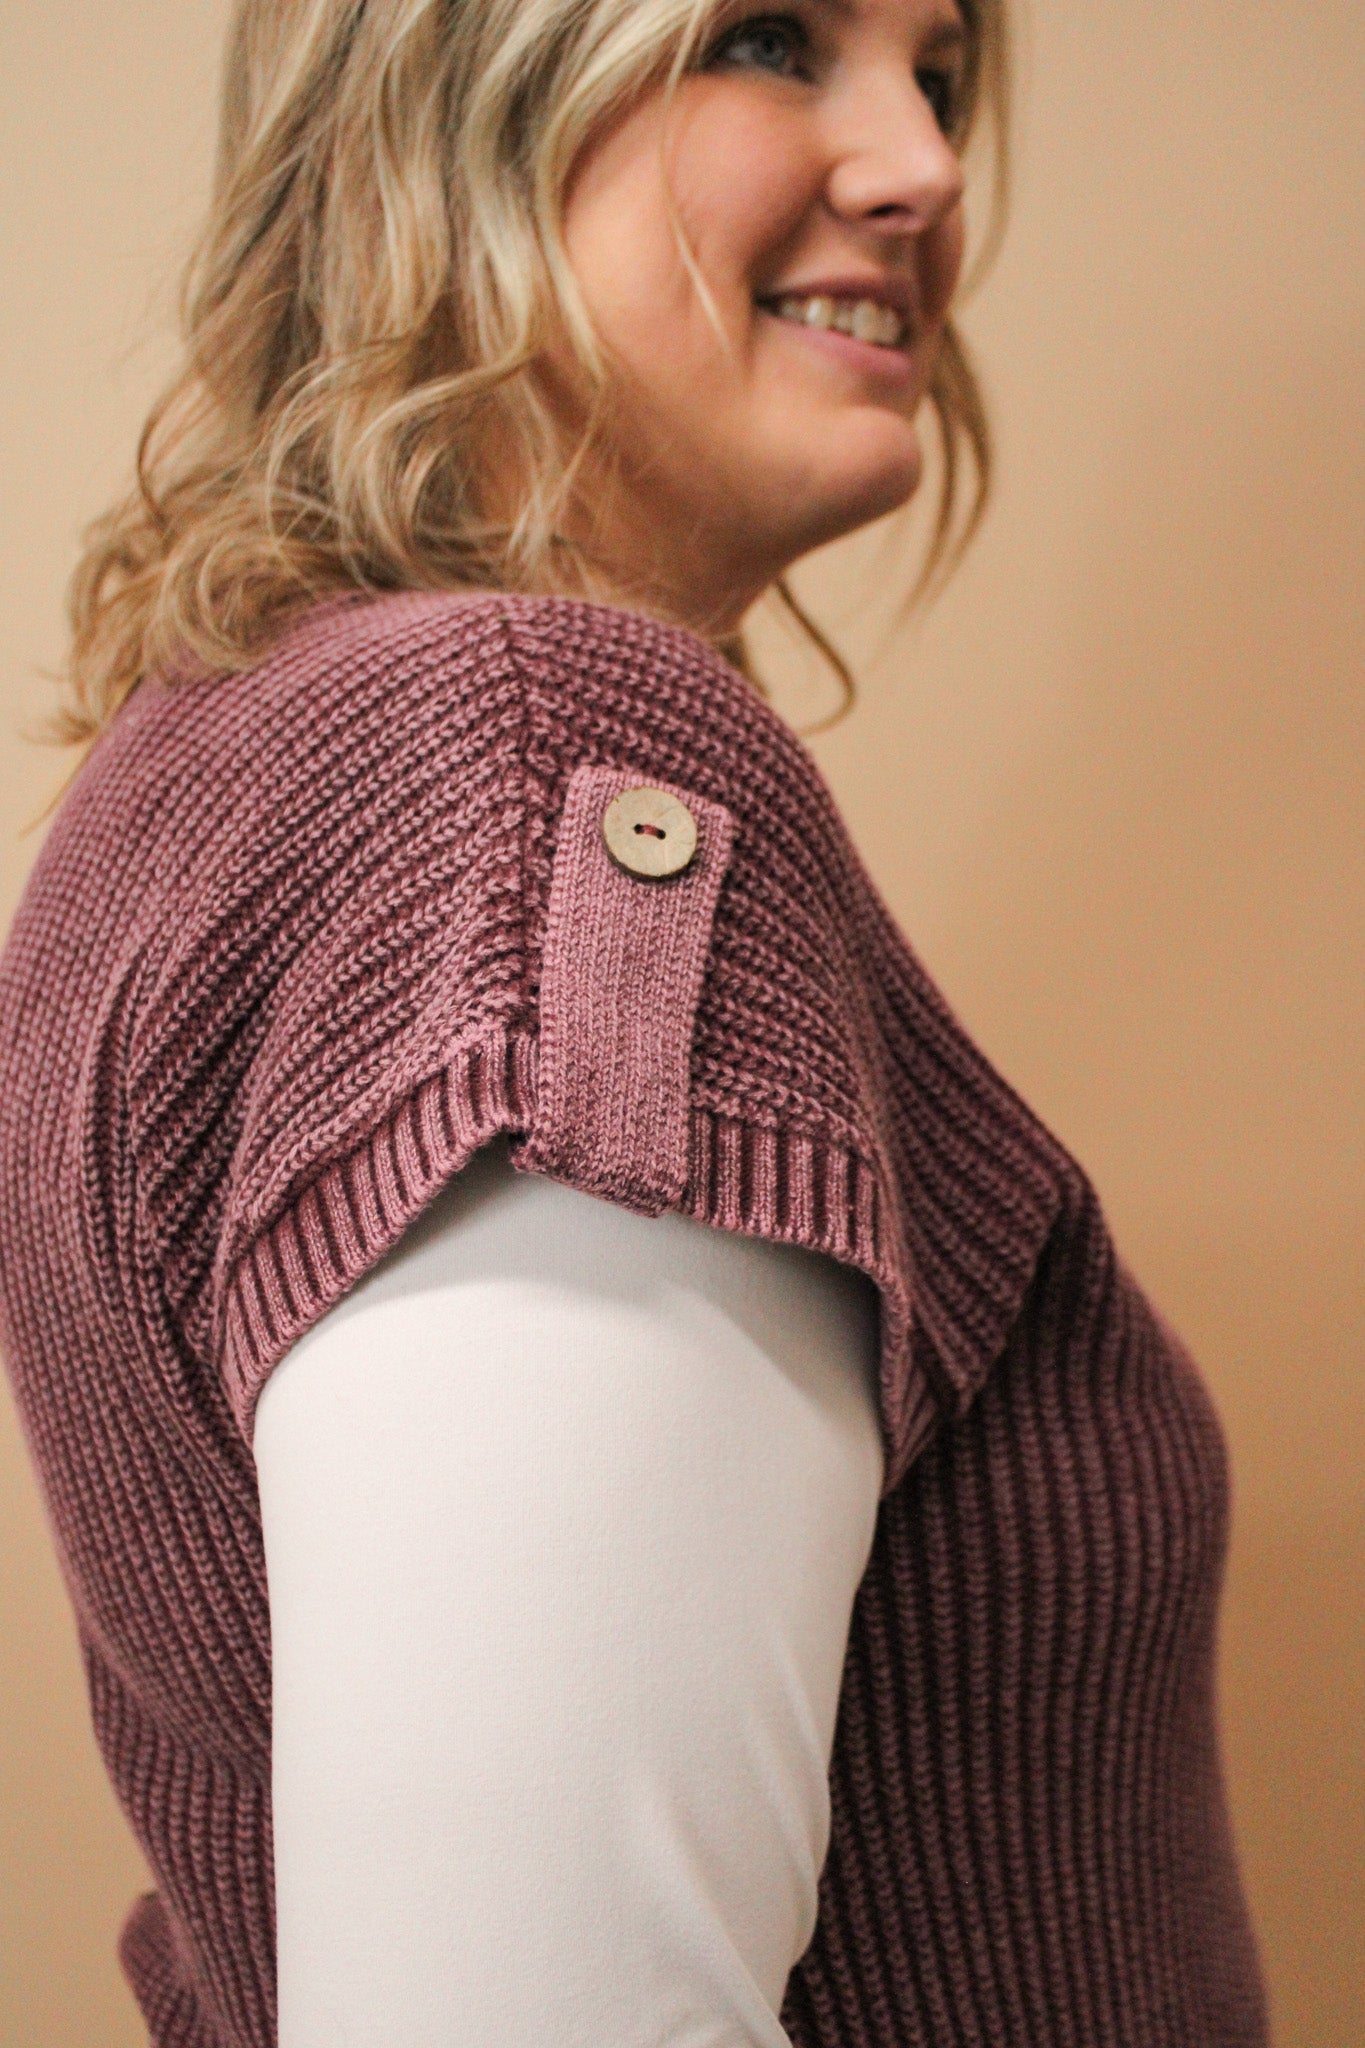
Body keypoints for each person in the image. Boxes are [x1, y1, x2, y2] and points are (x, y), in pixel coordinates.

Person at [0, 3, 1270, 2046]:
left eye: (939, 75)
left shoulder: (238, 754)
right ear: (448, 101)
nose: (923, 167)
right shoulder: (543, 768)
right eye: (768, 36)